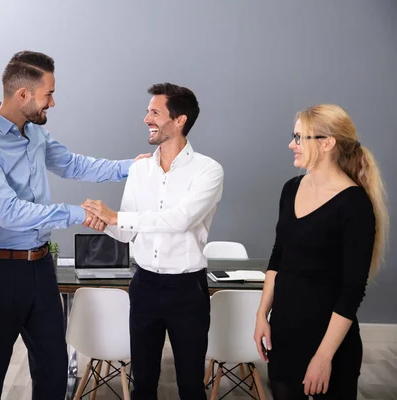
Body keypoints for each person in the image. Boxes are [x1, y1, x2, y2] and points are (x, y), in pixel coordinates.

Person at [0, 50, 150, 399]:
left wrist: (136, 167)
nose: (53, 102)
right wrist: (80, 213)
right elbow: (10, 213)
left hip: (40, 267)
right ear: (23, 95)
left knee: (53, 366)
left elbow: (76, 165)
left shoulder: (35, 134)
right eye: (48, 94)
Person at [82, 83, 224, 400]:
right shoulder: (140, 169)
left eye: (154, 112)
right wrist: (103, 222)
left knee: (190, 384)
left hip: (187, 289)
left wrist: (117, 216)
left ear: (179, 120)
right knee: (143, 382)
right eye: (148, 111)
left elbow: (180, 219)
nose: (146, 118)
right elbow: (128, 231)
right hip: (144, 284)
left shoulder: (208, 171)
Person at [253, 104, 389, 399]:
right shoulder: (291, 188)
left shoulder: (354, 205)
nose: (292, 144)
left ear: (327, 144)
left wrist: (324, 357)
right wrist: (262, 313)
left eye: (300, 137)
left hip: (329, 342)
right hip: (284, 333)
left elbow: (352, 290)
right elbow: (278, 256)